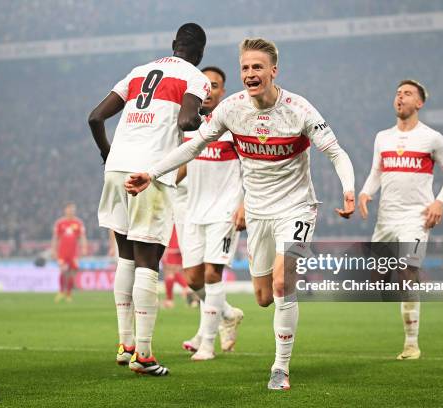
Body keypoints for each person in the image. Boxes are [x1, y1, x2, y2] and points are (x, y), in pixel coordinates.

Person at [126, 38, 355, 390]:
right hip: (259, 212)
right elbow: (194, 145)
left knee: (282, 282)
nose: (251, 73)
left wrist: (349, 191)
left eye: (258, 67)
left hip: (296, 208)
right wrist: (153, 173)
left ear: (273, 71)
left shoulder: (299, 109)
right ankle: (238, 318)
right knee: (264, 296)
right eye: (246, 67)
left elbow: (336, 153)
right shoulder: (232, 109)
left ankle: (280, 367)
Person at [88, 23, 211, 376]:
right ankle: (143, 354)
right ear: (200, 54)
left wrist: (107, 153)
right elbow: (187, 120)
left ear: (174, 45)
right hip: (149, 173)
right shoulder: (194, 77)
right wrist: (204, 114)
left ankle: (125, 343)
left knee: (124, 257)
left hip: (115, 168)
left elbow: (95, 116)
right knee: (147, 261)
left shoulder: (139, 71)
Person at [358, 79, 443, 360]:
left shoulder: (432, 138)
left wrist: (439, 201)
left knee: (407, 273)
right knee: (376, 278)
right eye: (398, 93)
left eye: (407, 93)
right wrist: (365, 193)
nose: (400, 97)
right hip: (386, 218)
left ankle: (411, 343)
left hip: (415, 218)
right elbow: (376, 171)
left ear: (419, 102)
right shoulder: (383, 137)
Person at [176, 66, 246, 360]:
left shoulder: (234, 125)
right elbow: (182, 165)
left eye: (215, 85)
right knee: (193, 279)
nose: (209, 90)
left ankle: (207, 344)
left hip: (225, 210)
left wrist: (244, 203)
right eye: (205, 85)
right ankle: (227, 314)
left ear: (222, 91)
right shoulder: (189, 125)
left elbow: (251, 167)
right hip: (193, 209)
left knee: (211, 273)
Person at [51, 202, 87, 303]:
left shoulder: (78, 223)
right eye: (69, 209)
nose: (71, 211)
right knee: (63, 271)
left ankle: (68, 294)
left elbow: (82, 237)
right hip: (62, 252)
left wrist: (84, 248)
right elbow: (55, 238)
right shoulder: (60, 223)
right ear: (65, 210)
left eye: (73, 209)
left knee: (72, 273)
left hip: (73, 253)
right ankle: (61, 291)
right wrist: (53, 250)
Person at [161, 225, 190, 309]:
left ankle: (170, 300)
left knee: (170, 273)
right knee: (173, 272)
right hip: (180, 243)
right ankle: (187, 289)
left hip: (173, 244)